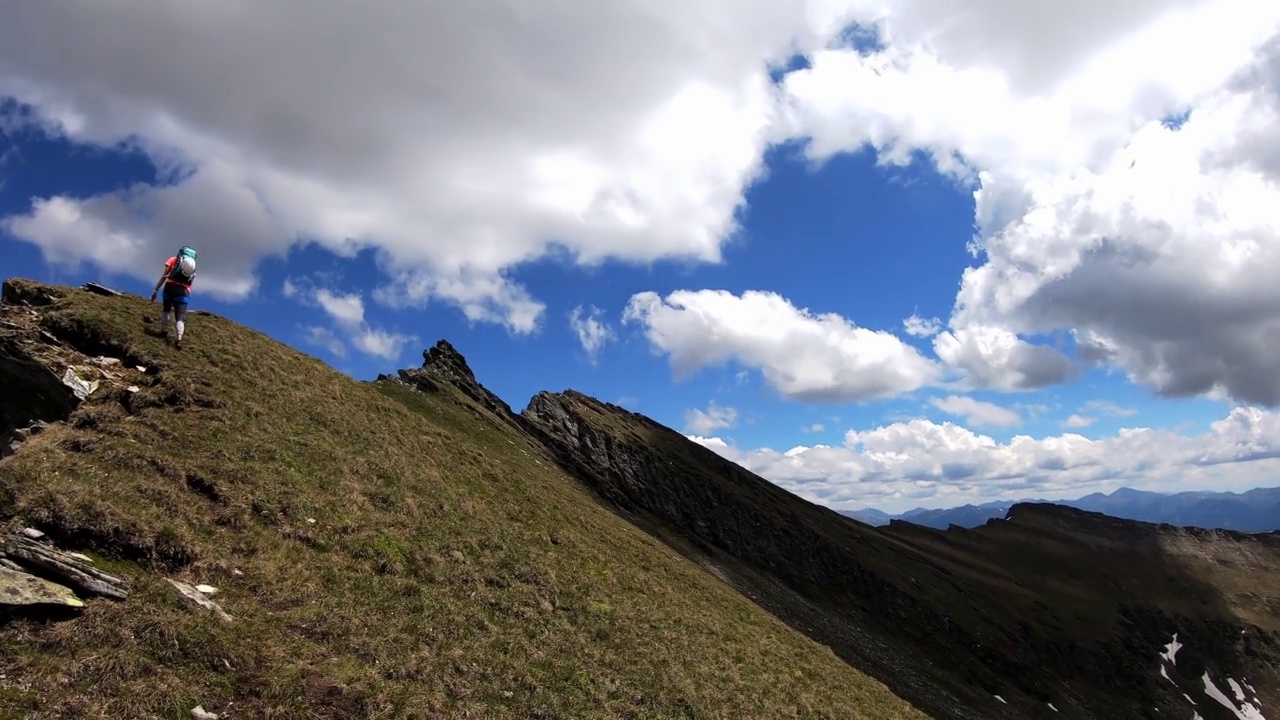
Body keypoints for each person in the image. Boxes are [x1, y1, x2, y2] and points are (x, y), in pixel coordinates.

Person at [149, 246, 198, 349]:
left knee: (166, 310)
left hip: (170, 287)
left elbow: (164, 276)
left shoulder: (173, 260)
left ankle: (164, 330)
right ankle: (179, 339)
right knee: (179, 317)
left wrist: (155, 290)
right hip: (184, 291)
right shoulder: (193, 266)